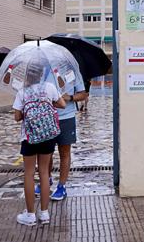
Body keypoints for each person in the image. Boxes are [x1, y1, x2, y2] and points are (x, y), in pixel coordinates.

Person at [13, 66, 66, 226]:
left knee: (29, 174)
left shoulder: (22, 92)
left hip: (29, 137)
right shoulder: (49, 88)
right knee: (44, 173)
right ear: (42, 75)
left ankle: (30, 215)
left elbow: (17, 117)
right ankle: (44, 213)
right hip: (47, 136)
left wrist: (27, 111)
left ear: (26, 76)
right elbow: (62, 104)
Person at [36, 73, 87, 201]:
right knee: (46, 153)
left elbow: (83, 94)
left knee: (64, 152)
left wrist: (69, 97)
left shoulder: (73, 70)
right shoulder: (42, 69)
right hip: (46, 118)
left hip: (66, 117)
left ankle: (61, 186)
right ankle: (45, 181)